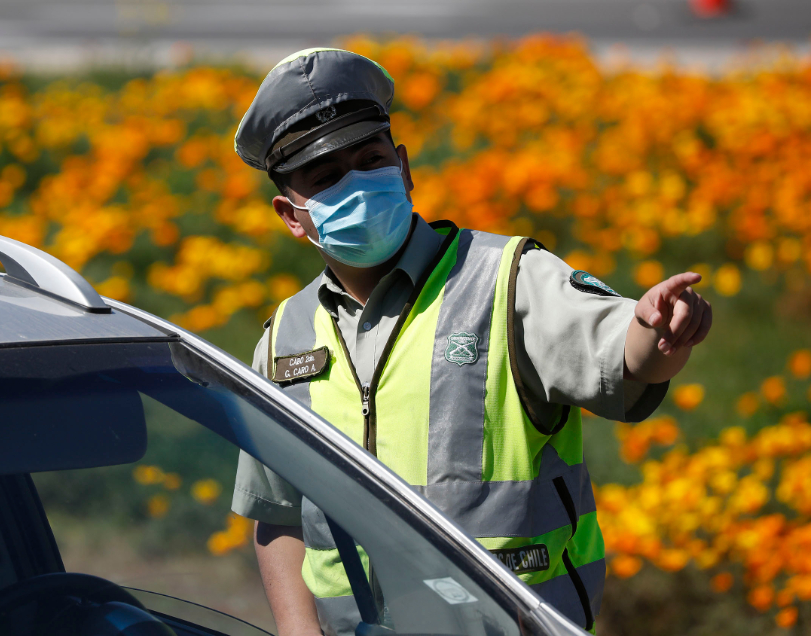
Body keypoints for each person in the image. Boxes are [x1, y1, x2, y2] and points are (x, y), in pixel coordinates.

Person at [229, 48, 713, 636]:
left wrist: (658, 331)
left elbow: (619, 355)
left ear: (403, 167)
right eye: (327, 178)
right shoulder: (285, 336)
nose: (357, 183)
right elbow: (277, 514)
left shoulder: (506, 279)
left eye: (371, 159)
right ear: (292, 213)